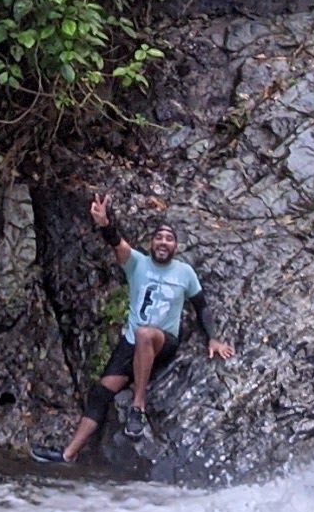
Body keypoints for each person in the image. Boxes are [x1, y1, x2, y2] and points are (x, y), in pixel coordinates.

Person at [56, 194, 234, 465]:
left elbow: (202, 306)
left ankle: (137, 407)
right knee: (101, 392)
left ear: (175, 246)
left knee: (145, 334)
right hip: (131, 345)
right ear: (151, 243)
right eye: (159, 237)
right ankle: (68, 454)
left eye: (169, 239)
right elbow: (115, 242)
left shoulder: (184, 273)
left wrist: (213, 339)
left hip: (164, 341)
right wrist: (104, 223)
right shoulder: (137, 263)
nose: (163, 242)